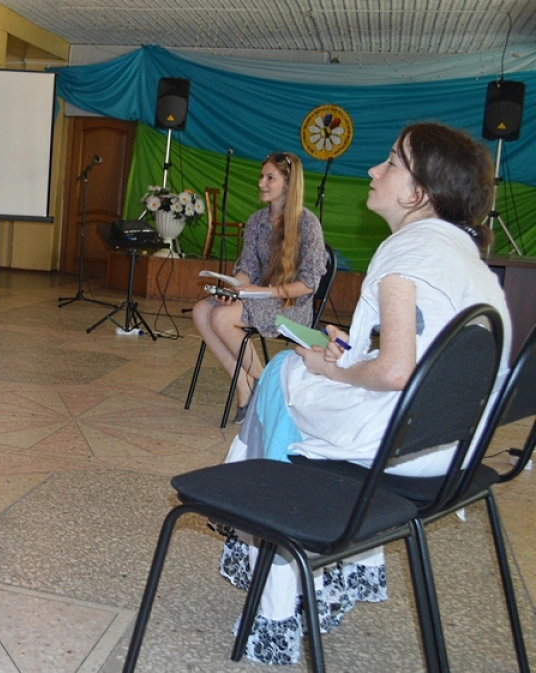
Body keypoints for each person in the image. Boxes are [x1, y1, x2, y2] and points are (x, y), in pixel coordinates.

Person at [218, 123, 511, 665]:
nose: (375, 171)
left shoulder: (407, 253)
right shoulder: (474, 266)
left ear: (417, 193)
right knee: (298, 371)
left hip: (389, 455)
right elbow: (427, 356)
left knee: (282, 374)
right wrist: (351, 352)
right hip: (452, 456)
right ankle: (335, 573)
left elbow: (397, 371)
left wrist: (335, 373)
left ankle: (277, 580)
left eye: (392, 162)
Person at [191, 152, 326, 422]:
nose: (262, 183)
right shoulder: (256, 221)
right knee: (200, 311)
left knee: (220, 317)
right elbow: (248, 269)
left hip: (291, 306)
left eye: (270, 178)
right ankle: (245, 387)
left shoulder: (308, 224)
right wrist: (233, 289)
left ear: (288, 185)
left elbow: (308, 284)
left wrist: (265, 292)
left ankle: (265, 385)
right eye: (261, 176)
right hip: (258, 297)